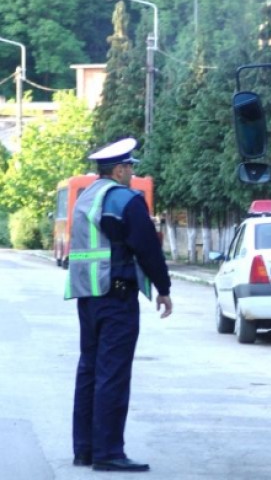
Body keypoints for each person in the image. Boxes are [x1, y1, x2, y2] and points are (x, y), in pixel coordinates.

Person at [65, 137, 173, 472]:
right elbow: (146, 247)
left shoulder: (87, 198)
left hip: (88, 296)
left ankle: (84, 449)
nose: (131, 173)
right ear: (120, 169)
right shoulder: (126, 200)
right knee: (113, 373)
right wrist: (163, 288)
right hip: (117, 296)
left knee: (89, 370)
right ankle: (109, 452)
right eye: (129, 168)